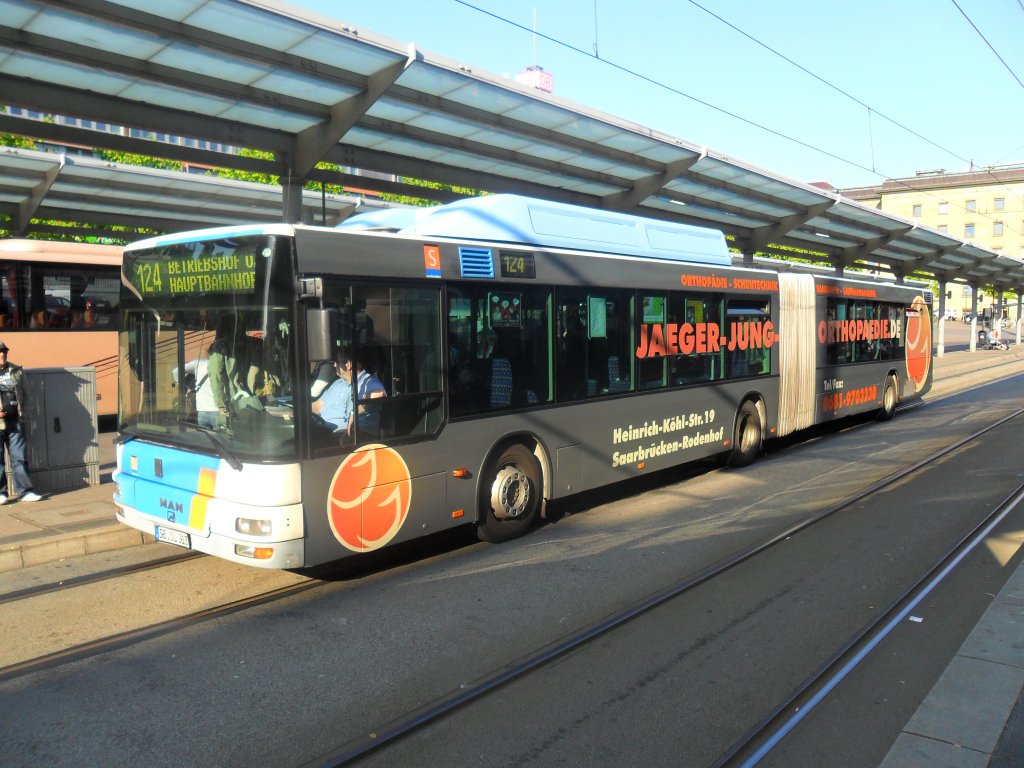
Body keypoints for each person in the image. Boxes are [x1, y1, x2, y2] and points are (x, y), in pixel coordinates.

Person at [0, 341, 41, 503]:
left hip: (15, 421)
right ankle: (1, 493)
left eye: (4, 352)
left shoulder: (16, 371)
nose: (3, 354)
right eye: (0, 352)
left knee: (19, 456)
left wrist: (24, 414)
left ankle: (24, 491)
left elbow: (27, 394)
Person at [311, 351, 353, 436]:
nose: (334, 365)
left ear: (348, 365)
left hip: (336, 434)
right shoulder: (337, 383)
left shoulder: (362, 386)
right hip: (320, 427)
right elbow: (317, 406)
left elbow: (378, 394)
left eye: (336, 362)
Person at [353, 359, 387, 436]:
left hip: (362, 432)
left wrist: (353, 412)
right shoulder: (340, 383)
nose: (334, 365)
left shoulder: (370, 381)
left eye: (338, 362)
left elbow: (380, 393)